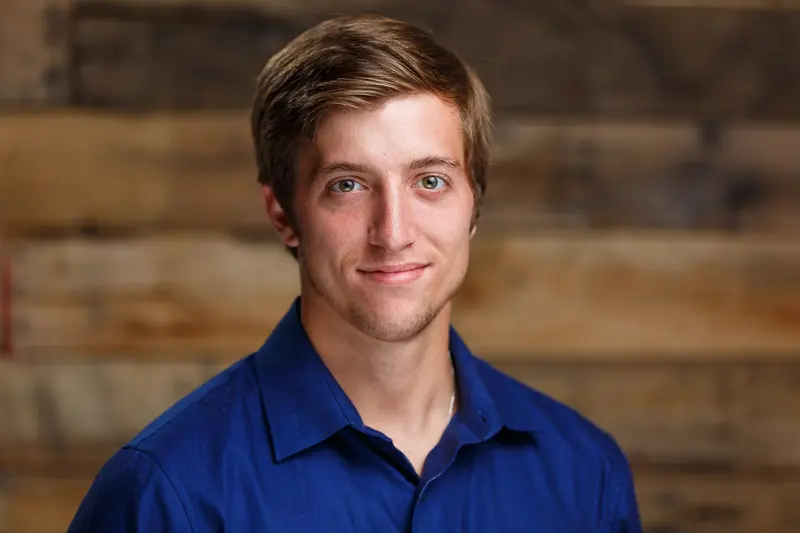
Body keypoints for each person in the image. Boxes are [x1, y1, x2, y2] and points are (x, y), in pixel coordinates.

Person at [68, 13, 642, 533]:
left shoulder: (584, 475)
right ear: (282, 215)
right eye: (348, 185)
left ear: (475, 206)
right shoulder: (165, 495)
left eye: (431, 182)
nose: (393, 232)